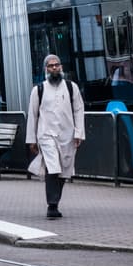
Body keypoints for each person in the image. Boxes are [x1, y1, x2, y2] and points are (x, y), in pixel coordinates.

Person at [25, 54, 84, 218]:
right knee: (53, 167)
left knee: (64, 170)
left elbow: (79, 110)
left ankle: (55, 201)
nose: (54, 68)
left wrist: (79, 133)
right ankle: (52, 205)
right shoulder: (38, 90)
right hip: (46, 135)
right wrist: (31, 140)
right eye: (51, 66)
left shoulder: (72, 87)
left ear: (61, 67)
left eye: (57, 65)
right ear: (46, 69)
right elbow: (33, 115)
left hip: (67, 135)